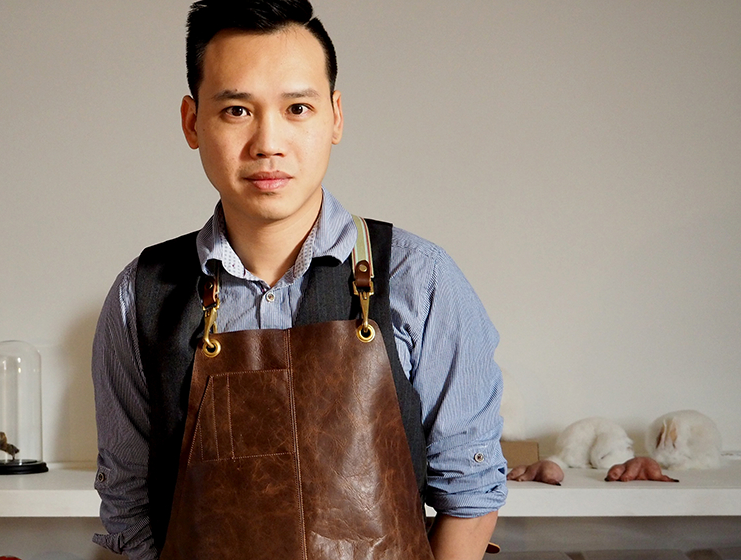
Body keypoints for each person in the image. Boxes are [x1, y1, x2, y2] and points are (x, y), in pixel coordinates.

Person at [92, 1, 506, 558]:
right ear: (193, 122)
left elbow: (471, 497)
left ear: (335, 116)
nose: (268, 142)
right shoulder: (141, 296)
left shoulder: (417, 279)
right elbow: (128, 507)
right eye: (237, 110)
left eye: (297, 108)